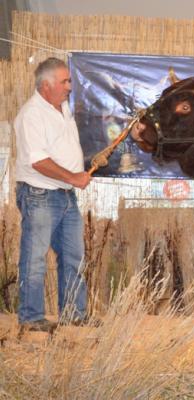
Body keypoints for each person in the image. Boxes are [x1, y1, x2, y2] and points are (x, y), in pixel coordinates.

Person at [14, 57, 92, 332]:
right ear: (46, 86)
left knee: (73, 257)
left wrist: (73, 178)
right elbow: (38, 160)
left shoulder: (63, 109)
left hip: (65, 194)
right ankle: (31, 318)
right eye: (65, 81)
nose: (70, 86)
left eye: (69, 80)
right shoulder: (31, 115)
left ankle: (73, 314)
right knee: (35, 258)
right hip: (40, 194)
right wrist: (73, 176)